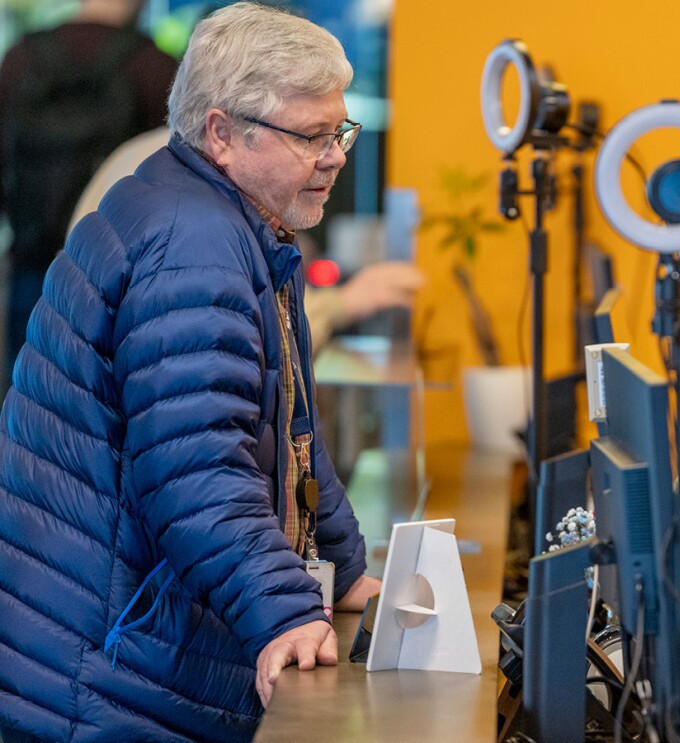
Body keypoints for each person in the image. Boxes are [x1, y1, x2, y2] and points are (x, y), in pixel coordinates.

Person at [0, 4, 382, 739]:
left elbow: (285, 427)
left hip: (103, 647)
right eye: (311, 136)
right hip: (101, 676)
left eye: (339, 131)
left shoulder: (223, 217)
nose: (336, 156)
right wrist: (281, 611)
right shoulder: (193, 244)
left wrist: (346, 564)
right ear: (221, 134)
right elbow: (197, 464)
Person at [69, 125, 426, 355]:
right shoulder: (209, 199)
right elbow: (246, 347)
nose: (332, 156)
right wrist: (340, 304)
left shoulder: (141, 157)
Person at [0, 0, 177, 391]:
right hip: (118, 282)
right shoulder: (154, 67)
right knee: (108, 410)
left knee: (25, 403)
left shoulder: (18, 60)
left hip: (33, 266)